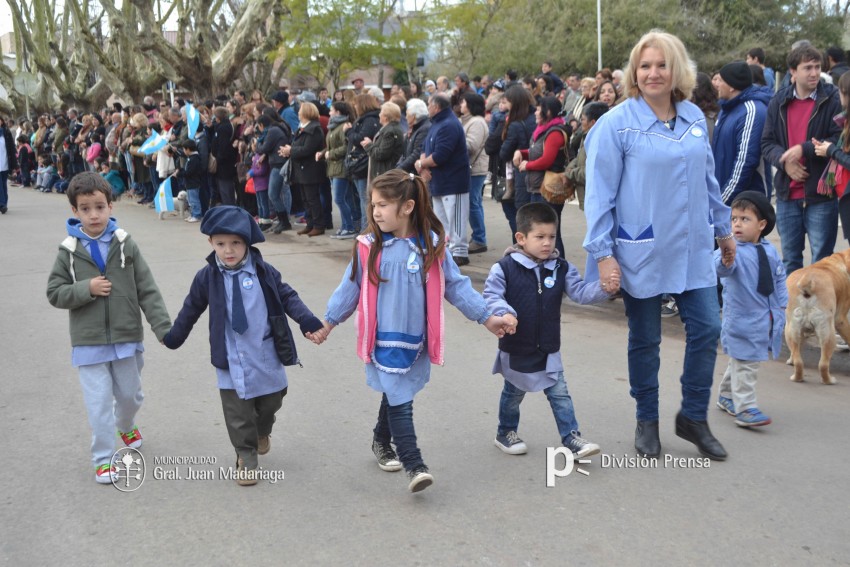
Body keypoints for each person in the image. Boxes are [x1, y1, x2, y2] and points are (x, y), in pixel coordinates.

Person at [583, 30, 734, 461]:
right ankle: (647, 418)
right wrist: (603, 253)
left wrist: (724, 231)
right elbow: (599, 195)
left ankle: (692, 416)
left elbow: (709, 182)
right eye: (645, 65)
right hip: (640, 249)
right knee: (645, 338)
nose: (653, 73)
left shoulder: (693, 119)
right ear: (634, 72)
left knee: (707, 327)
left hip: (691, 247)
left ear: (676, 70)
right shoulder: (617, 124)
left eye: (661, 64)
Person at [320, 170, 515, 492]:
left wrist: (486, 317)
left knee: (397, 391)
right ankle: (414, 463)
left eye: (383, 204)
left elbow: (456, 286)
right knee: (400, 396)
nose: (375, 211)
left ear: (408, 206)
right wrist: (327, 322)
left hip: (416, 339)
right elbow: (350, 288)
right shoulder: (369, 247)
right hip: (382, 338)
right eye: (373, 204)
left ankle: (381, 440)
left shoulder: (431, 247)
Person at [163, 206, 325, 485]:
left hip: (264, 352)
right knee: (237, 412)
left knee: (273, 400)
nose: (228, 250)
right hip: (230, 355)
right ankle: (246, 456)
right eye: (221, 243)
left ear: (247, 242)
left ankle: (262, 430)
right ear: (210, 243)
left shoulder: (263, 272)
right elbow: (191, 308)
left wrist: (308, 321)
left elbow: (288, 297)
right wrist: (175, 335)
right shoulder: (207, 276)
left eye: (236, 243)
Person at [46, 173, 171, 483]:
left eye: (99, 207)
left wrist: (163, 327)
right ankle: (103, 458)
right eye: (85, 209)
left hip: (127, 337)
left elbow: (147, 288)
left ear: (111, 207)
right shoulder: (68, 250)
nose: (94, 215)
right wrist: (85, 288)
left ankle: (125, 424)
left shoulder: (125, 244)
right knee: (98, 403)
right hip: (88, 343)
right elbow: (54, 292)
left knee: (131, 396)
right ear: (74, 211)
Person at [485, 203, 617, 457]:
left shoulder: (562, 267)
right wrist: (505, 313)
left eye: (552, 236)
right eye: (540, 237)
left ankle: (571, 438)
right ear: (521, 238)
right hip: (517, 345)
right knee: (513, 394)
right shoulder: (504, 268)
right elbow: (492, 295)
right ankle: (505, 432)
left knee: (560, 394)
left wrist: (604, 288)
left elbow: (579, 292)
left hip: (548, 346)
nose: (547, 243)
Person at [761, 44, 842, 274]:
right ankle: (793, 310)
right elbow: (767, 143)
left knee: (822, 263)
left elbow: (839, 139)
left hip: (821, 194)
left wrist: (804, 149)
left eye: (817, 67)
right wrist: (784, 162)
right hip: (788, 194)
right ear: (793, 72)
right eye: (808, 68)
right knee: (791, 262)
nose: (815, 73)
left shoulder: (832, 98)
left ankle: (821, 310)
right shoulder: (778, 101)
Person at [715, 191, 786, 428]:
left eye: (744, 219)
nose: (737, 224)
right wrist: (724, 260)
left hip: (765, 317)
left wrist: (783, 303)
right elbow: (720, 267)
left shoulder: (770, 251)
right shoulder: (732, 250)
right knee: (746, 363)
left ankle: (726, 396)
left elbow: (778, 278)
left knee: (740, 359)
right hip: (741, 320)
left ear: (762, 225)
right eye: (734, 219)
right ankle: (746, 407)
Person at [415, 93, 471, 266]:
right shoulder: (436, 124)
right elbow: (425, 147)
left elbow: (441, 155)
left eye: (429, 104)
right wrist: (423, 166)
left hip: (454, 182)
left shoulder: (449, 124)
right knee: (441, 220)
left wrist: (421, 163)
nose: (427, 107)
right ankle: (446, 249)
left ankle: (459, 252)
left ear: (437, 107)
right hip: (438, 181)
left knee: (456, 219)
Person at [514, 96, 569, 257]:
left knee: (551, 233)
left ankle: (559, 267)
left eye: (539, 109)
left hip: (548, 190)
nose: (536, 112)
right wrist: (521, 152)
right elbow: (535, 151)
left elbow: (547, 159)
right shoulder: (543, 130)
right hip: (538, 188)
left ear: (548, 111)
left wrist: (527, 165)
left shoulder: (555, 133)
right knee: (540, 228)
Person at [712, 61, 771, 205]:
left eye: (721, 80)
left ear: (732, 86)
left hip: (746, 202)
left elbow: (745, 163)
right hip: (727, 199)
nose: (716, 84)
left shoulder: (752, 111)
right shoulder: (726, 109)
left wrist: (722, 201)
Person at [284, 102, 327, 237]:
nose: (298, 113)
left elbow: (307, 149)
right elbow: (297, 145)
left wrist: (291, 150)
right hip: (301, 169)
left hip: (311, 169)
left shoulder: (314, 129)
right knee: (305, 199)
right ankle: (310, 224)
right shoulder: (301, 128)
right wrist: (289, 150)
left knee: (312, 199)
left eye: (300, 111)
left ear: (306, 113)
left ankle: (319, 225)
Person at [345, 94, 382, 230]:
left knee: (365, 200)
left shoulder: (370, 120)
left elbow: (360, 139)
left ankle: (366, 231)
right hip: (358, 165)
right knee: (362, 199)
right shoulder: (364, 119)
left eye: (356, 104)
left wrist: (348, 131)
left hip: (363, 165)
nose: (355, 107)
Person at [322, 101, 358, 239]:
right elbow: (331, 146)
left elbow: (346, 147)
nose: (329, 112)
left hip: (341, 168)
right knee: (345, 198)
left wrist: (330, 154)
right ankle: (345, 226)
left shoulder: (344, 126)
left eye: (331, 110)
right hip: (333, 167)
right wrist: (323, 152)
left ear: (337, 112)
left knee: (338, 199)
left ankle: (349, 227)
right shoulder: (333, 126)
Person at [459, 92, 489, 254]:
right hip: (473, 167)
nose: (461, 105)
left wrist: (455, 139)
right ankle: (478, 236)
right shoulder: (469, 121)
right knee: (475, 202)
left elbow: (471, 145)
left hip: (476, 168)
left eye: (464, 102)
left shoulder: (476, 122)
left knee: (473, 203)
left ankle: (479, 238)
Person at [565, 102, 609, 211]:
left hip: (598, 199)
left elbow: (592, 171)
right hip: (589, 198)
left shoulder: (601, 141)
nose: (581, 123)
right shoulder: (587, 136)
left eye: (583, 119)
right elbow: (579, 157)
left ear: (592, 123)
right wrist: (570, 167)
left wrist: (570, 173)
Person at [363, 101, 405, 184]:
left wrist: (368, 145)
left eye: (381, 112)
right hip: (384, 173)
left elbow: (381, 154)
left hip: (385, 175)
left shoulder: (390, 131)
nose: (379, 115)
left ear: (386, 117)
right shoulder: (388, 129)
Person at [172, 139, 204, 222]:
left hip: (194, 183)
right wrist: (180, 170)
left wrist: (179, 174)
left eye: (184, 149)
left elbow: (189, 172)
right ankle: (193, 214)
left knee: (194, 200)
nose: (183, 151)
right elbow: (187, 170)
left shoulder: (194, 159)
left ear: (188, 149)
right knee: (190, 200)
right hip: (189, 183)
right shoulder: (191, 157)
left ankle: (197, 215)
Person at [0, 116, 18, 213]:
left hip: (5, 162)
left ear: (2, 121)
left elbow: (11, 149)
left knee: (3, 184)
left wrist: (14, 165)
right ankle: (2, 204)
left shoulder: (6, 133)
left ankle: (4, 203)